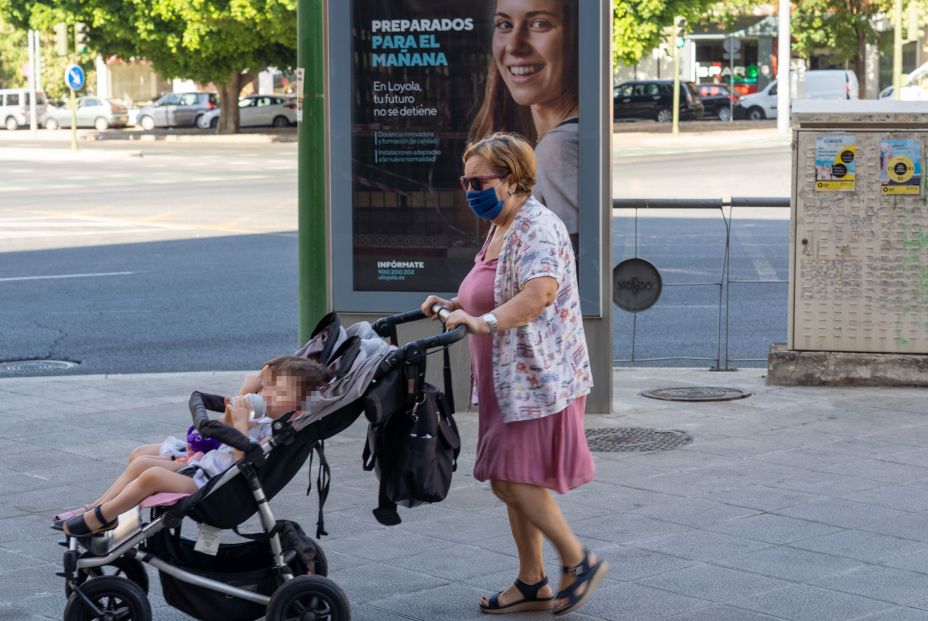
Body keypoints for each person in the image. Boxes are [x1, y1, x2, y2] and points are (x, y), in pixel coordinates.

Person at [421, 133, 605, 616]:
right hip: (508, 380)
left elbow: (540, 291)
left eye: (478, 180)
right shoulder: (503, 223)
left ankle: (577, 560)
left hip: (536, 381)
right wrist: (456, 303)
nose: (469, 189)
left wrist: (483, 322)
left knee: (511, 478)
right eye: (466, 180)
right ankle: (532, 581)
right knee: (516, 477)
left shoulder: (537, 227)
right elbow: (497, 286)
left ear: (513, 179)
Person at [57, 356, 331, 538]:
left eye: (281, 394)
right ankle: (99, 509)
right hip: (205, 466)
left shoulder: (273, 432)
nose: (269, 395)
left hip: (215, 486)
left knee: (150, 475)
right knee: (141, 458)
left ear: (296, 410)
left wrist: (241, 427)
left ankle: (100, 518)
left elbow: (243, 461)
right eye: (269, 388)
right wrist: (241, 398)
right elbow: (223, 432)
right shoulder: (261, 416)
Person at [468, 0, 580, 251]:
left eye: (540, 24)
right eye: (505, 24)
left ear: (575, 37)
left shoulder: (558, 148)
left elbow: (569, 262)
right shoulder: (549, 142)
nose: (515, 45)